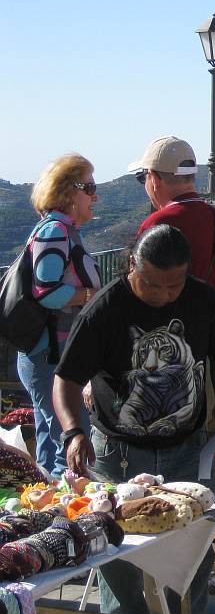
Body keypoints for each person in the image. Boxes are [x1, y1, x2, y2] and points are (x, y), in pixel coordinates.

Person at [52, 224, 215, 614]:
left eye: (174, 284)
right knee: (116, 554)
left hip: (184, 447)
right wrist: (73, 432)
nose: (164, 294)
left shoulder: (202, 298)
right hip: (118, 451)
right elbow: (66, 379)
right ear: (132, 263)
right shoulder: (106, 308)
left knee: (189, 551)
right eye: (153, 283)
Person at [131, 136, 215, 400]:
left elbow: (134, 300)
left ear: (154, 178)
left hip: (169, 369)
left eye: (143, 180)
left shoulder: (155, 226)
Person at [16, 154, 100, 477]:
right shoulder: (55, 232)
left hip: (49, 355)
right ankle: (66, 521)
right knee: (69, 447)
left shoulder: (63, 230)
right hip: (50, 357)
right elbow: (47, 291)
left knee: (51, 447)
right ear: (68, 192)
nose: (96, 196)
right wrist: (92, 296)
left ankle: (51, 518)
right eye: (89, 187)